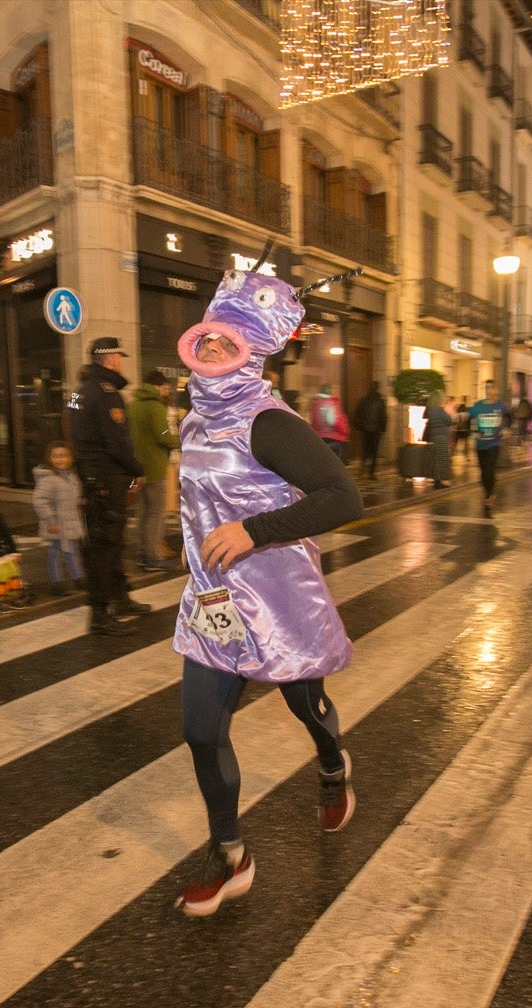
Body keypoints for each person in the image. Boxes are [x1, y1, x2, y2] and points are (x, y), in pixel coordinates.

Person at [170, 266, 364, 918]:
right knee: (201, 728)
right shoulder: (193, 422)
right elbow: (200, 497)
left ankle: (333, 764)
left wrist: (253, 531)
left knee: (306, 709)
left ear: (251, 351)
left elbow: (344, 497)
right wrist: (192, 538)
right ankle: (231, 855)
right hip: (215, 601)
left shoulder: (269, 422)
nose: (215, 348)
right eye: (208, 338)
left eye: (229, 342)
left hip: (278, 599)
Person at [73, 337, 148, 635]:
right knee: (104, 547)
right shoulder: (106, 394)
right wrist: (137, 470)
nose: (121, 361)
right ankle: (100, 613)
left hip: (94, 479)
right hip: (107, 480)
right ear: (110, 359)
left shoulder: (80, 393)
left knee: (110, 543)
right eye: (119, 355)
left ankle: (119, 598)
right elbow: (116, 442)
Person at [127, 369, 180, 571]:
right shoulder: (156, 407)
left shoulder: (132, 405)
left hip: (137, 468)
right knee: (155, 515)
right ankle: (152, 557)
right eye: (165, 387)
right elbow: (164, 435)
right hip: (155, 468)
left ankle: (142, 554)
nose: (167, 391)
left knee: (142, 514)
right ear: (158, 386)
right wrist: (181, 441)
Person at [32, 440, 86, 595]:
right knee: (55, 551)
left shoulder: (72, 477)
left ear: (71, 458)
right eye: (55, 456)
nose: (60, 459)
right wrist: (50, 520)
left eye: (63, 456)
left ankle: (78, 578)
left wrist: (80, 506)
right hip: (56, 523)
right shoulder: (48, 479)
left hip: (70, 521)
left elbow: (76, 497)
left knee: (72, 551)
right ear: (49, 459)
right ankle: (57, 582)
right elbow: (40, 501)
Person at [467, 379, 508, 510]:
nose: (489, 390)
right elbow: (467, 419)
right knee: (483, 472)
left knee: (490, 469)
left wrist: (506, 428)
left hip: (494, 443)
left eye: (492, 388)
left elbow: (509, 417)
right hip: (480, 445)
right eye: (487, 388)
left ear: (496, 390)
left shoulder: (501, 406)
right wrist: (472, 432)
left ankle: (489, 496)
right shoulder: (477, 406)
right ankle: (487, 492)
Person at [351, 380, 388, 478]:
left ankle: (362, 469)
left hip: (365, 429)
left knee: (365, 449)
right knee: (374, 451)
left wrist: (358, 426)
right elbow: (383, 416)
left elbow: (358, 413)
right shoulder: (380, 401)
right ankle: (371, 472)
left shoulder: (364, 400)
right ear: (377, 388)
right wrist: (383, 429)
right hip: (376, 430)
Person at [308, 383, 350, 464]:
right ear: (330, 392)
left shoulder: (315, 403)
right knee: (338, 465)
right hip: (334, 438)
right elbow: (332, 420)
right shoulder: (330, 403)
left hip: (320, 438)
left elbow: (313, 421)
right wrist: (345, 431)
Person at [424, 389, 453, 488]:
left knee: (435, 459)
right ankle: (442, 481)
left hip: (433, 436)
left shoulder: (429, 410)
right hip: (442, 436)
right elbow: (449, 421)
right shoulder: (440, 410)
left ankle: (436, 481)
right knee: (442, 459)